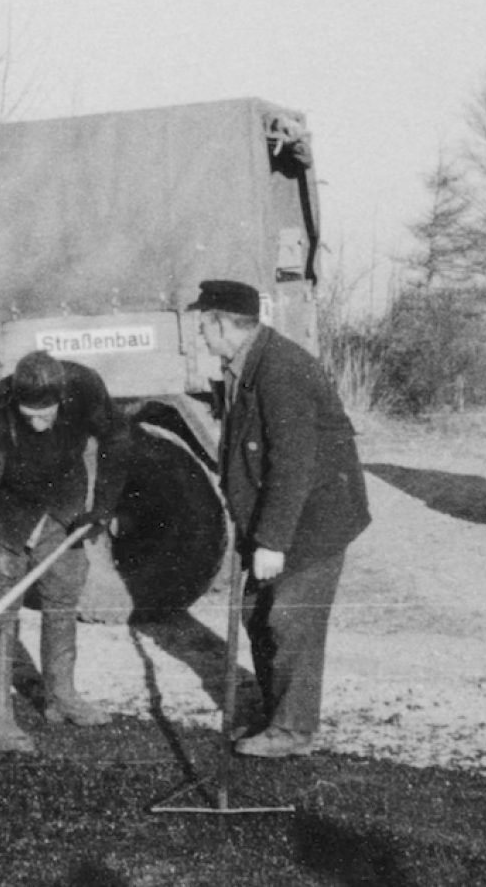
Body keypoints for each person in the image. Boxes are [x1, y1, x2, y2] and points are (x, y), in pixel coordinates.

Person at [189, 279, 370, 758]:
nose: (199, 335)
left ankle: (292, 731)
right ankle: (277, 716)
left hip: (312, 519)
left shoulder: (281, 369)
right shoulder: (246, 363)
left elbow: (294, 464)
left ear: (223, 323)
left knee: (289, 618)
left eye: (203, 324)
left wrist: (272, 542)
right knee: (257, 614)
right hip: (281, 517)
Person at [0, 350, 131, 754]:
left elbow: (118, 438)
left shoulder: (85, 387)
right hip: (5, 512)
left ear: (62, 399)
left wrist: (102, 508)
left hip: (62, 504)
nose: (37, 423)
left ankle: (62, 697)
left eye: (46, 413)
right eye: (28, 414)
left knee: (62, 597)